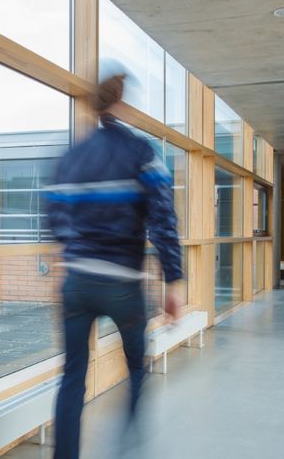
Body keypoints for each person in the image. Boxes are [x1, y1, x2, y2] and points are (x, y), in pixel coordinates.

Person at [45, 73, 183, 459]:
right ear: (121, 105)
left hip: (77, 281)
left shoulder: (70, 157)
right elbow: (163, 219)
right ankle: (126, 447)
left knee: (72, 376)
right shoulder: (141, 151)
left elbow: (53, 220)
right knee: (137, 368)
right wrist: (174, 280)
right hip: (123, 284)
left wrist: (70, 254)